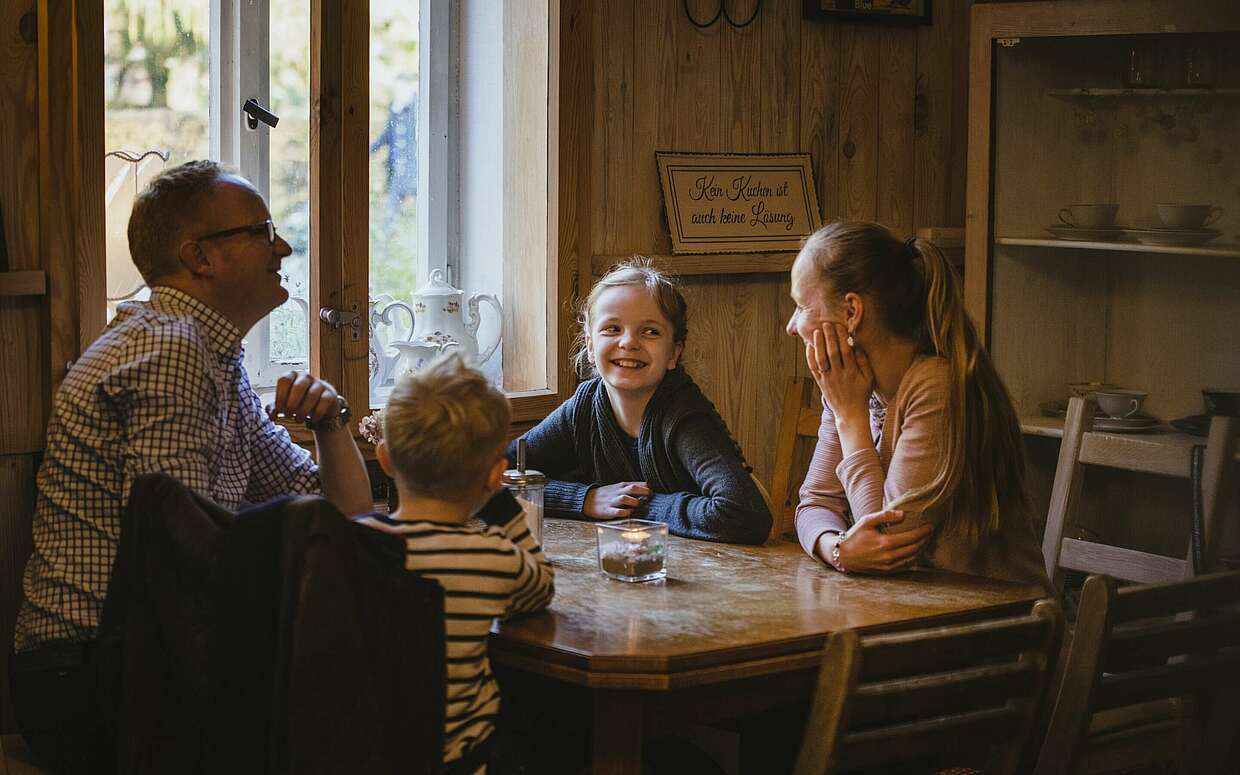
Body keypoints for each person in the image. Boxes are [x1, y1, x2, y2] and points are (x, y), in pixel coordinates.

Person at [11, 160, 373, 769]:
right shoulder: (170, 352)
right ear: (200, 258)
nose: (281, 246)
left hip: (131, 663)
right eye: (260, 231)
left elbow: (346, 513)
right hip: (93, 675)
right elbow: (177, 566)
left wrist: (331, 423)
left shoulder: (212, 357)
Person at [787, 221, 1049, 589]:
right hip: (911, 612)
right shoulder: (849, 384)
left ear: (851, 312)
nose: (792, 326)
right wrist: (839, 550)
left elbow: (888, 541)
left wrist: (850, 417)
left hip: (998, 624)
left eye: (801, 306)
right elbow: (813, 504)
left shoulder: (935, 384)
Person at [355, 353, 554, 774]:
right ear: (495, 476)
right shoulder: (493, 558)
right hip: (460, 762)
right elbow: (541, 586)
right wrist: (502, 505)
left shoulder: (353, 545)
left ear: (386, 459)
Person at [510, 259, 771, 545]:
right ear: (589, 346)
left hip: (698, 573)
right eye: (612, 328)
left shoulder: (683, 416)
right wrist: (584, 499)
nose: (629, 342)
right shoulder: (584, 407)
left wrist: (637, 504)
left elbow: (745, 513)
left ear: (674, 353)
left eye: (650, 332)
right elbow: (491, 475)